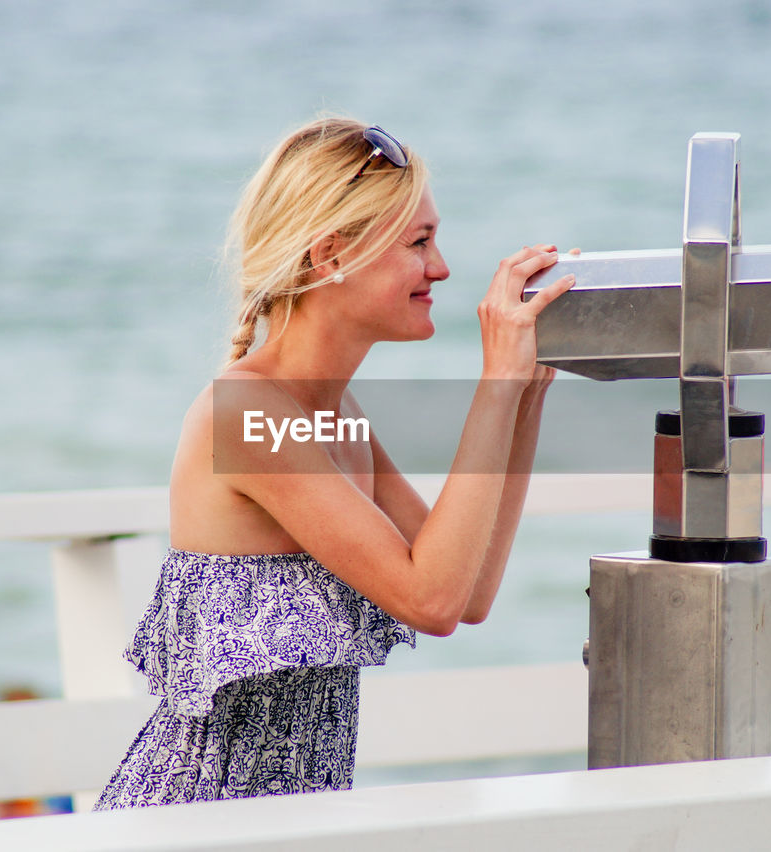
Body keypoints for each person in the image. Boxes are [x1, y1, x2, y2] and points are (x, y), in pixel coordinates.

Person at [93, 117, 576, 809]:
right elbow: (430, 601)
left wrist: (525, 397)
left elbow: (467, 593)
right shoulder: (248, 414)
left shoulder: (334, 413)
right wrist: (494, 387)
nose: (439, 268)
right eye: (419, 243)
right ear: (330, 258)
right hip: (194, 826)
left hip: (288, 825)